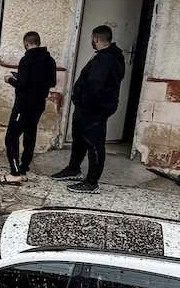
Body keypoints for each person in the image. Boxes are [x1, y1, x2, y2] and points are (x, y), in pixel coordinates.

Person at [51, 25, 126, 194]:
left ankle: (92, 183)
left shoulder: (106, 59)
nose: (91, 41)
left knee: (94, 144)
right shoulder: (105, 56)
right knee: (79, 138)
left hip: (94, 109)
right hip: (88, 108)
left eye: (92, 38)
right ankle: (73, 169)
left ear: (97, 39)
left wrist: (83, 103)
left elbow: (95, 86)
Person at [0, 32, 57, 184]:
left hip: (23, 105)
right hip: (39, 105)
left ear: (26, 43)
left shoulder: (27, 59)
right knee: (29, 136)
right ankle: (23, 169)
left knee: (11, 137)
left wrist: (10, 79)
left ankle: (15, 173)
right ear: (38, 42)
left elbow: (23, 84)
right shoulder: (50, 60)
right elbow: (52, 82)